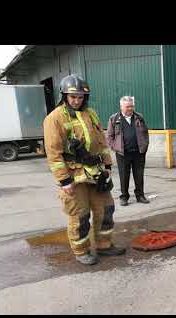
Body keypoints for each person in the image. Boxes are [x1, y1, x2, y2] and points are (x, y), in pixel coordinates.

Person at [43, 75, 125, 266]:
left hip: (95, 173)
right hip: (74, 175)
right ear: (64, 96)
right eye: (73, 97)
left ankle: (104, 245)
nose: (77, 100)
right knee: (79, 215)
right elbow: (53, 153)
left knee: (106, 209)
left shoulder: (91, 114)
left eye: (80, 97)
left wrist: (106, 166)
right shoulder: (54, 118)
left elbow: (102, 142)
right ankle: (81, 250)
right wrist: (64, 181)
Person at [106, 96, 150, 206]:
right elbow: (109, 136)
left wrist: (144, 146)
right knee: (124, 176)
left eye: (132, 106)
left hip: (138, 152)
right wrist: (114, 147)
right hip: (123, 153)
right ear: (121, 107)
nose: (130, 109)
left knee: (139, 175)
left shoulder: (139, 117)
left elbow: (145, 133)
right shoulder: (114, 118)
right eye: (127, 107)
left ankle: (140, 195)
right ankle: (124, 197)